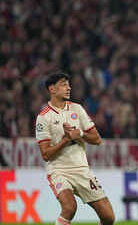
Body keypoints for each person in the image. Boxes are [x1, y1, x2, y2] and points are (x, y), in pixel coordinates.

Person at [35, 72, 115, 225]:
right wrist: (66, 139)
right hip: (59, 170)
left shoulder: (77, 109)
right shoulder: (44, 118)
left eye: (69, 84)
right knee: (70, 208)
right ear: (52, 89)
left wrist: (80, 134)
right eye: (64, 84)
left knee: (108, 218)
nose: (69, 88)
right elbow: (45, 154)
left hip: (82, 169)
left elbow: (97, 140)